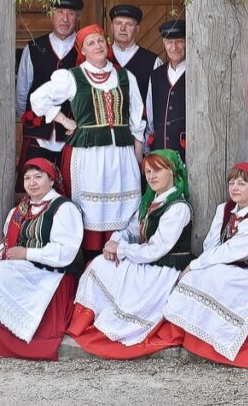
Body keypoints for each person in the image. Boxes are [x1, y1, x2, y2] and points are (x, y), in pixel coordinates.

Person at [30, 24, 145, 260]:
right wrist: (63, 120)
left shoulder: (125, 76)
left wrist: (138, 151)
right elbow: (37, 98)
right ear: (83, 50)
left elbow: (136, 117)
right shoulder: (72, 77)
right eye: (90, 43)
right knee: (90, 209)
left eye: (101, 41)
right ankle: (91, 262)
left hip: (122, 154)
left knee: (125, 206)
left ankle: (120, 256)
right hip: (88, 155)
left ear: (107, 44)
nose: (97, 46)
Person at [0, 158, 85, 361]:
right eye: (27, 178)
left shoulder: (64, 208)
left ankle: (19, 332)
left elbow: (65, 252)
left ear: (51, 181)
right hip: (24, 267)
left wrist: (27, 253)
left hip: (53, 274)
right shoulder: (20, 210)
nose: (32, 183)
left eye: (38, 177)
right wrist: (3, 252)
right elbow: (6, 240)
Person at [67, 150, 191, 359]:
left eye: (157, 170)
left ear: (172, 172)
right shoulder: (150, 201)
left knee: (117, 275)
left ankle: (115, 325)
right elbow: (132, 230)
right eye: (148, 171)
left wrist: (122, 250)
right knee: (99, 263)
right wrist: (115, 240)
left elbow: (156, 249)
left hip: (164, 271)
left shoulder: (178, 208)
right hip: (147, 263)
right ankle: (88, 321)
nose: (151, 176)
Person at [164, 162, 248, 368]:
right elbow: (212, 242)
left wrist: (197, 264)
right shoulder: (224, 209)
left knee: (212, 277)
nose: (234, 187)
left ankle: (220, 339)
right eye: (231, 183)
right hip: (226, 265)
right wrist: (202, 265)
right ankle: (194, 335)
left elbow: (234, 250)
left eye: (242, 183)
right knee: (199, 276)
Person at [15, 0, 83, 195]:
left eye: (71, 13)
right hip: (38, 133)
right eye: (60, 12)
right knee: (31, 189)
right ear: (50, 14)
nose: (65, 18)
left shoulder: (84, 48)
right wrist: (28, 118)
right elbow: (23, 90)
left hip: (71, 135)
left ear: (77, 17)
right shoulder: (34, 48)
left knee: (69, 191)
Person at [146, 19, 186, 160]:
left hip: (187, 153)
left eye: (179, 41)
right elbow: (150, 117)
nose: (174, 47)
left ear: (187, 42)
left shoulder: (197, 74)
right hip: (159, 152)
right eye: (169, 42)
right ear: (164, 43)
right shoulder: (156, 75)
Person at [109, 4, 162, 106]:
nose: (123, 28)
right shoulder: (100, 57)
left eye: (129, 24)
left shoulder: (153, 61)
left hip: (141, 121)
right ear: (112, 27)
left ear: (137, 29)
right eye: (118, 23)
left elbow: (159, 100)